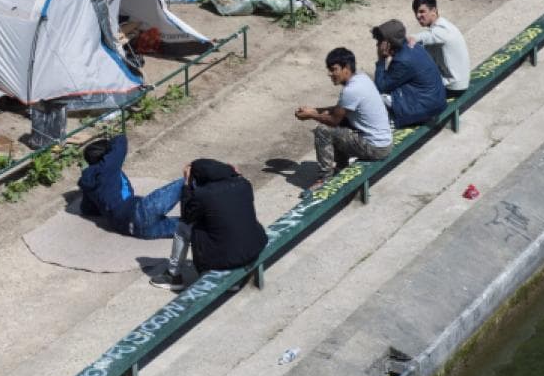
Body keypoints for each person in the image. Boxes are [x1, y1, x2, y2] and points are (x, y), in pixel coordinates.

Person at [150, 159, 268, 291]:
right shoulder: (244, 184)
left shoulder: (203, 195)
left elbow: (186, 217)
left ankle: (173, 275)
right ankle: (234, 277)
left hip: (226, 260)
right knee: (232, 219)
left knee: (183, 228)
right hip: (253, 250)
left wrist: (187, 185)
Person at [294, 47, 393, 186]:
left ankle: (325, 178)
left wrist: (311, 115)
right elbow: (340, 110)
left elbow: (334, 120)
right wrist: (315, 110)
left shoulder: (351, 90)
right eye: (329, 70)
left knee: (323, 130)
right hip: (384, 142)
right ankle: (341, 166)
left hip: (376, 148)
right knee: (341, 128)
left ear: (346, 68)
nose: (330, 74)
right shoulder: (362, 78)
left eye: (334, 69)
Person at [77, 135, 185, 238]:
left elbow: (87, 209)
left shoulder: (88, 182)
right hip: (139, 211)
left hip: (130, 229)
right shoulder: (107, 166)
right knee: (189, 179)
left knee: (193, 228)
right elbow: (121, 140)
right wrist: (109, 144)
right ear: (106, 156)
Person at [371, 19, 446, 128]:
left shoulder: (402, 60)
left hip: (426, 108)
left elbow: (381, 86)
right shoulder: (412, 47)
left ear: (388, 43)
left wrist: (381, 59)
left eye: (380, 41)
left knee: (374, 96)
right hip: (434, 100)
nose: (377, 44)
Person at [411, 0, 470, 96]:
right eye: (416, 12)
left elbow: (419, 38)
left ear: (433, 10)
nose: (417, 16)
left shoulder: (441, 31)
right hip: (459, 82)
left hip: (453, 86)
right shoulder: (445, 25)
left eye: (422, 11)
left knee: (410, 87)